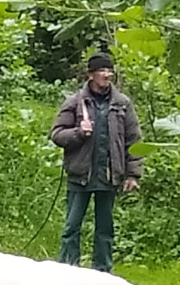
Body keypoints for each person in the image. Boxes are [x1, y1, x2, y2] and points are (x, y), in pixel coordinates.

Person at [50, 51, 141, 272]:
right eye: (102, 70)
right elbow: (56, 134)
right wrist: (78, 133)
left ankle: (103, 274)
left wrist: (133, 174)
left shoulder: (122, 104)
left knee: (105, 229)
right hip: (80, 176)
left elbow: (134, 139)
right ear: (91, 74)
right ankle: (68, 272)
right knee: (72, 227)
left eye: (109, 70)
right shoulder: (75, 102)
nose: (107, 75)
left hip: (109, 176)